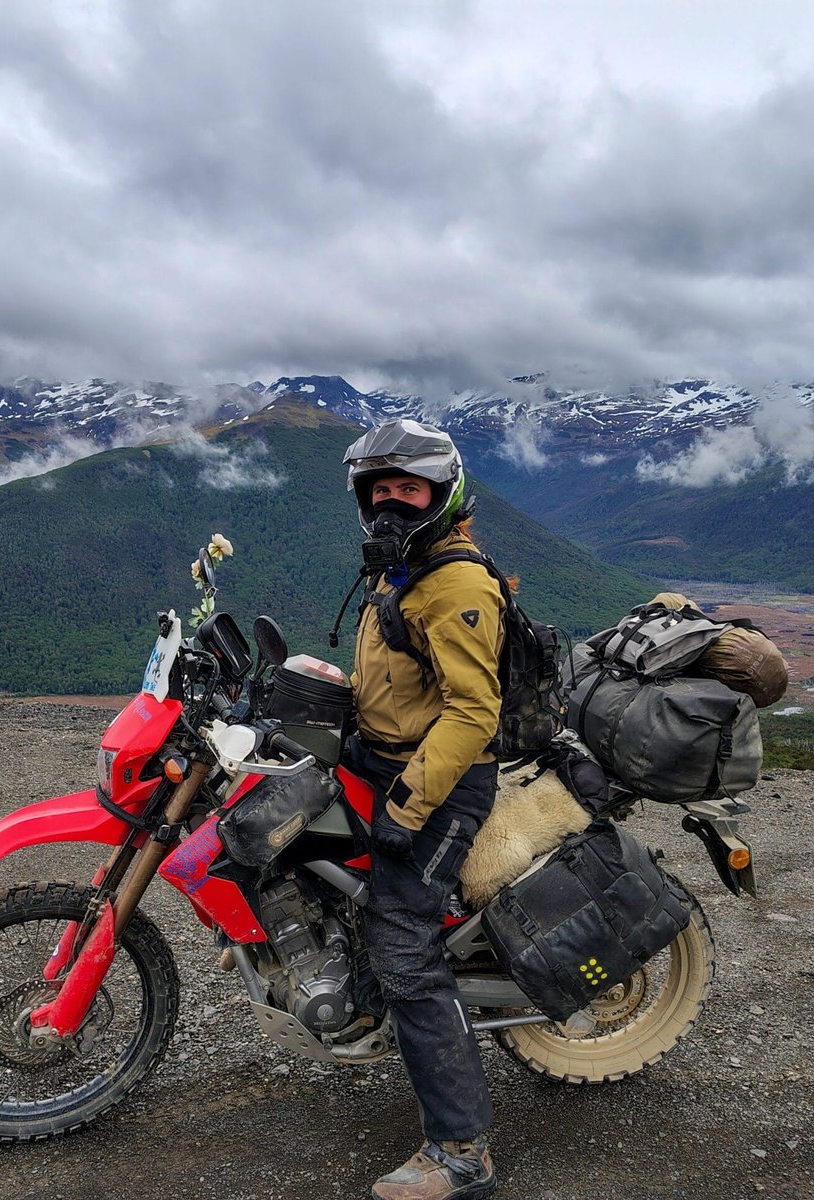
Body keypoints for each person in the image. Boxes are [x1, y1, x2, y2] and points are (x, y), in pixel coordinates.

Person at [342, 419, 504, 1200]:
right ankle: (349, 988)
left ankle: (462, 1151)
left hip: (446, 780)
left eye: (409, 490)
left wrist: (405, 809)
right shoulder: (400, 569)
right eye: (381, 490)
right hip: (388, 755)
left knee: (404, 941)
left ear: (443, 495)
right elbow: (391, 683)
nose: (392, 504)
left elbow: (473, 713)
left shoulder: (456, 585)